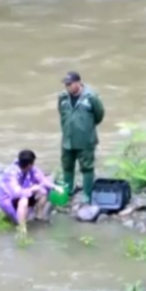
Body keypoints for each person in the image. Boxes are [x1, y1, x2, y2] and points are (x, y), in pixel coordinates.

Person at [58, 71, 105, 204]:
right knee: (67, 166)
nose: (67, 87)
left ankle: (87, 194)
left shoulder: (91, 97)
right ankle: (67, 191)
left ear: (78, 83)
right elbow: (62, 115)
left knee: (87, 167)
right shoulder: (62, 98)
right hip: (67, 139)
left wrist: (86, 127)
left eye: (69, 84)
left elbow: (99, 115)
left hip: (85, 140)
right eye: (66, 84)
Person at [0, 149, 63, 233]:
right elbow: (16, 193)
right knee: (24, 200)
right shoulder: (11, 174)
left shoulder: (30, 168)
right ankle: (22, 228)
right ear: (29, 165)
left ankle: (38, 218)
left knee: (44, 190)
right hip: (8, 201)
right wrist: (32, 189)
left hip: (23, 194)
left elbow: (42, 179)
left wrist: (55, 187)